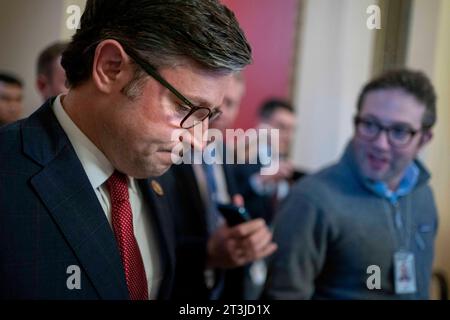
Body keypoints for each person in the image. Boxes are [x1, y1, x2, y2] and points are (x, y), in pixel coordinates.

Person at [0, 0, 252, 300]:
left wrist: (211, 254)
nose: (198, 140)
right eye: (184, 107)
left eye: (208, 116)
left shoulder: (160, 168)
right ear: (111, 67)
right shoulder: (8, 174)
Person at [264, 69, 438, 300]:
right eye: (370, 124)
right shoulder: (310, 200)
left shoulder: (423, 195)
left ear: (424, 140)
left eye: (399, 131)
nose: (380, 144)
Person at [168, 73, 277, 300]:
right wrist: (208, 252)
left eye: (230, 103)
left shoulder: (225, 152)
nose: (221, 112)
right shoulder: (166, 150)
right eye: (216, 101)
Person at [235, 99, 303, 225]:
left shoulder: (284, 164)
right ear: (262, 125)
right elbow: (232, 197)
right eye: (282, 127)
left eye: (292, 129)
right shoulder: (240, 158)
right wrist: (262, 179)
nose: (289, 136)